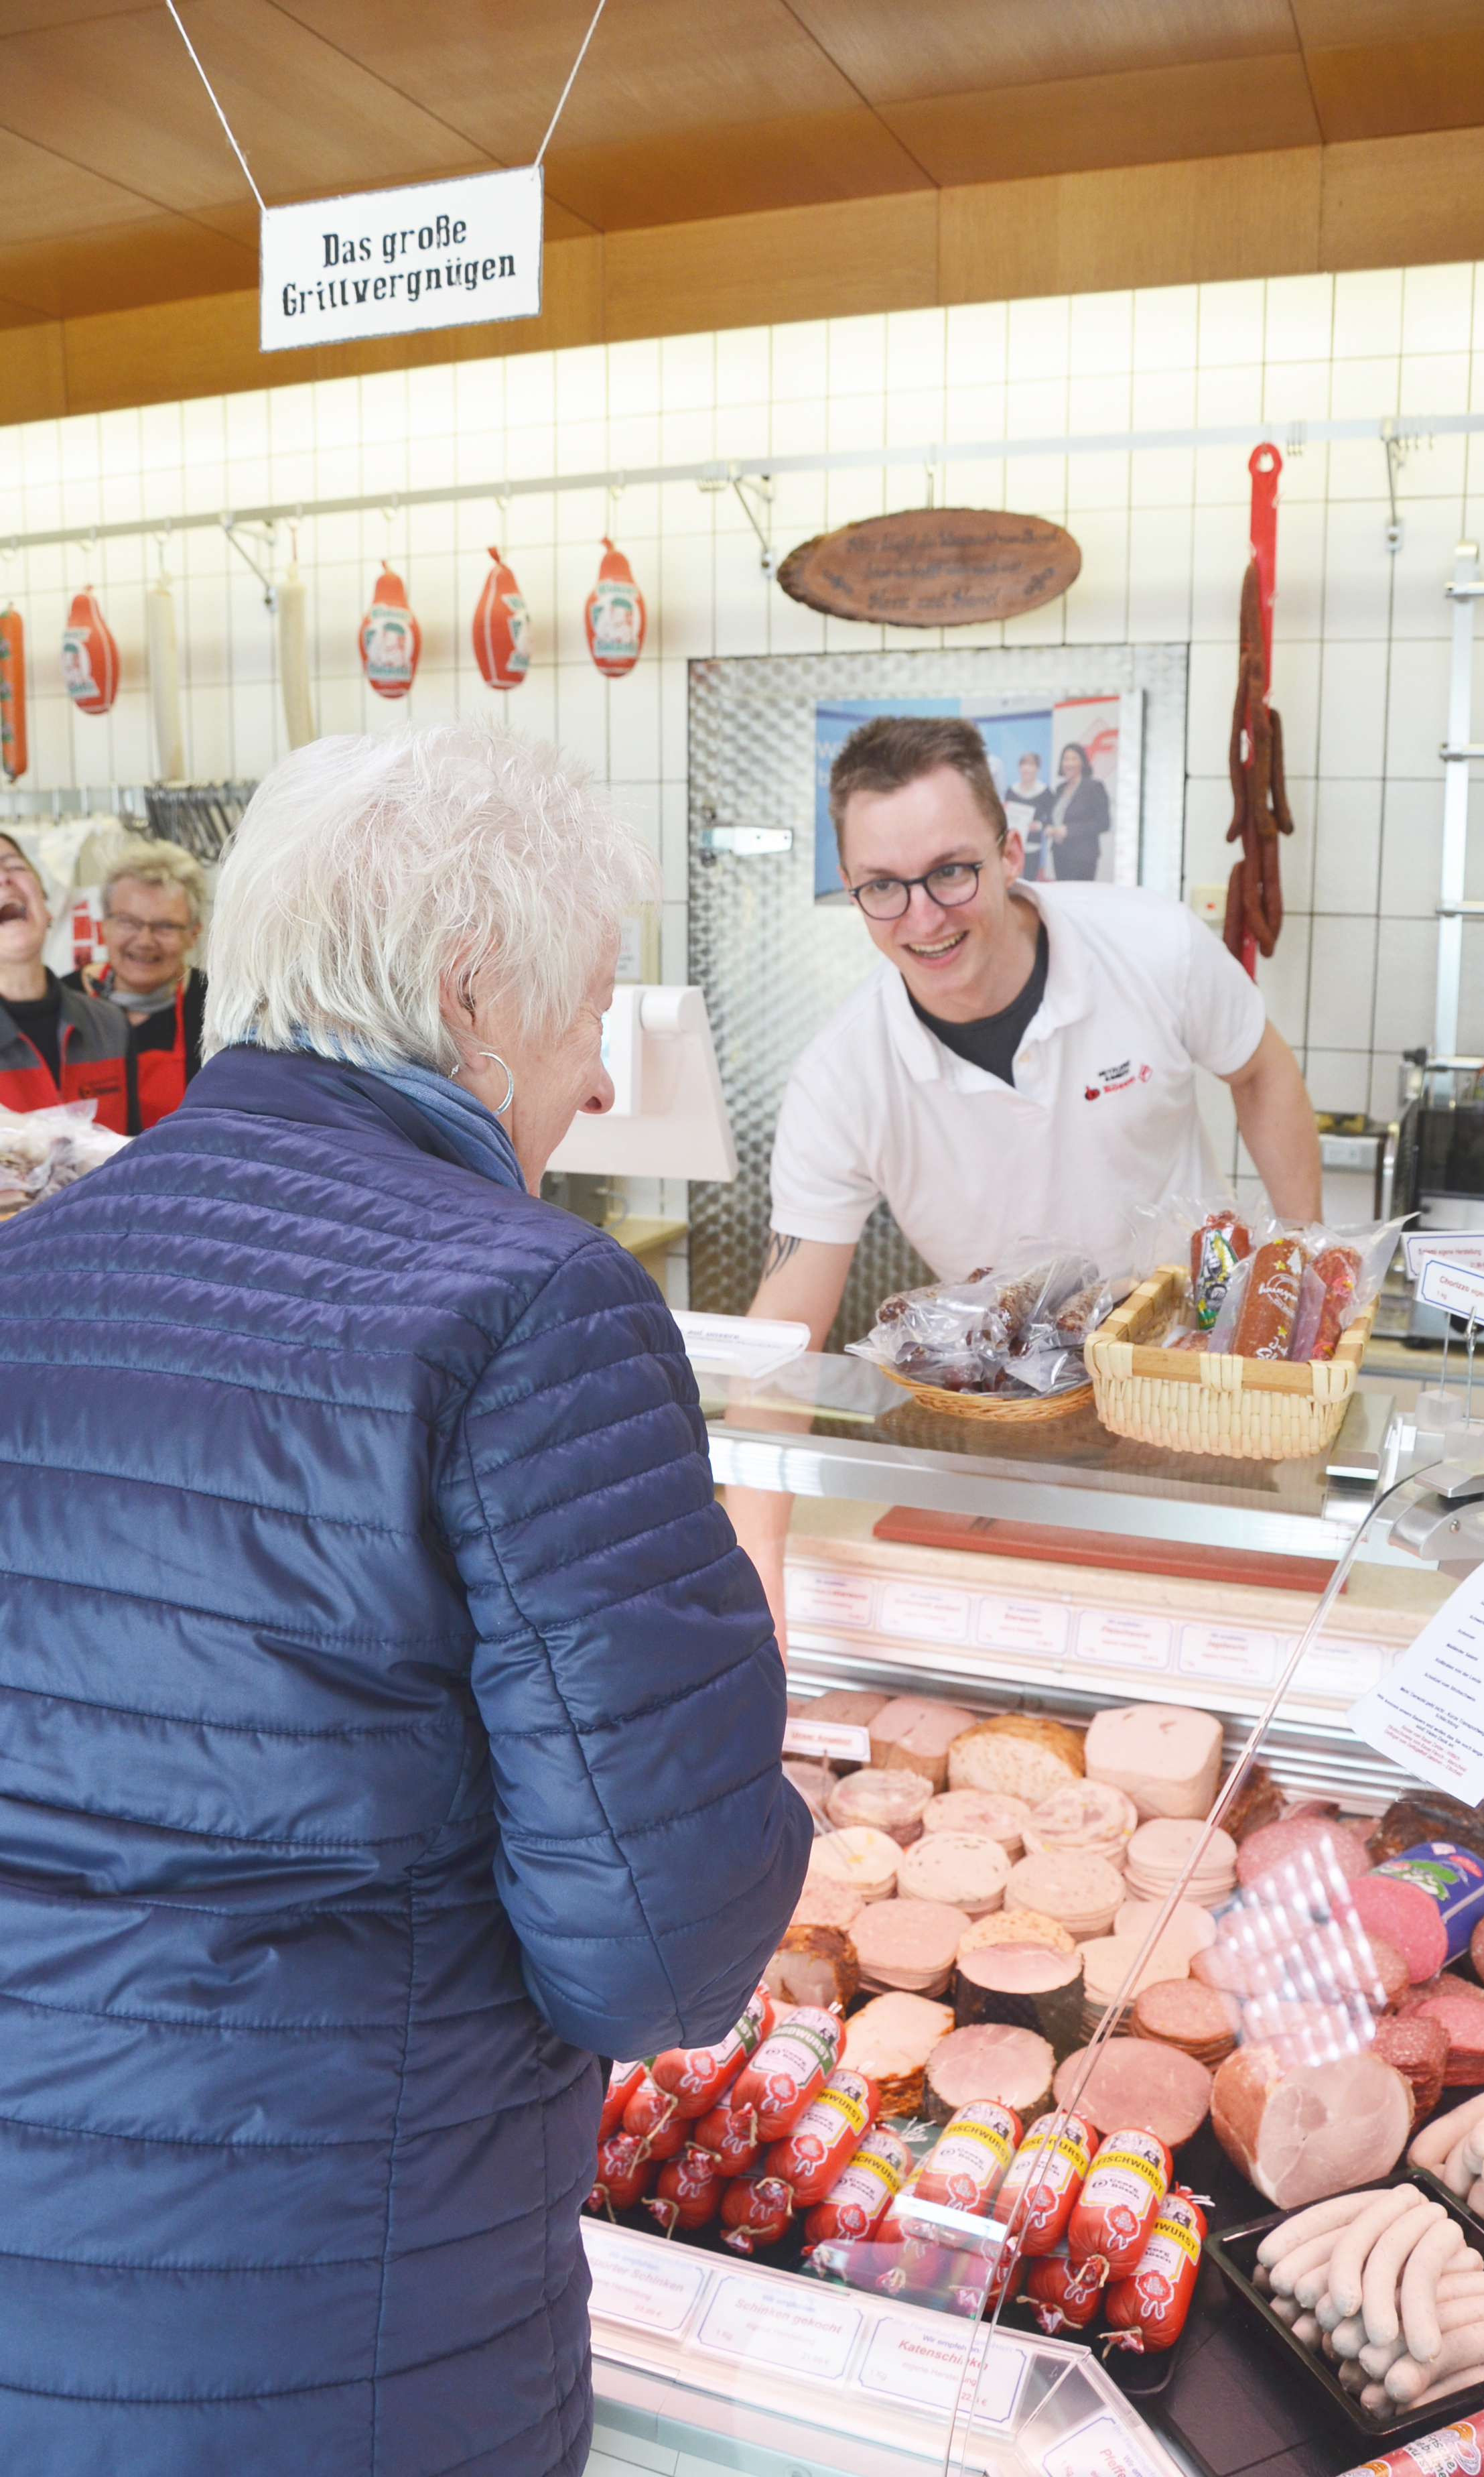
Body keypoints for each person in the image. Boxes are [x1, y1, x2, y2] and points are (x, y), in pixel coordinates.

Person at [0, 727, 808, 2474]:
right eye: (591, 1008)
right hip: (346, 2345)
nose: (597, 1082)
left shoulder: (22, 1272)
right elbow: (657, 1951)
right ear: (470, 996)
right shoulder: (534, 1307)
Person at [727, 714, 1321, 1644]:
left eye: (951, 871)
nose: (923, 918)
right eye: (885, 888)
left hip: (1193, 1386)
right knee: (1038, 1638)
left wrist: (1303, 1268)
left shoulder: (1152, 948)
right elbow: (784, 1331)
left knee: (1205, 1632)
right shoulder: (840, 1078)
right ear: (854, 892)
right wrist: (756, 1570)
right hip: (1006, 1418)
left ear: (1011, 853)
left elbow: (1263, 1074)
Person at [66, 836, 208, 1131]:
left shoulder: (218, 1007)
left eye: (165, 926)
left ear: (193, 933)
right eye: (128, 922)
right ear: (104, 924)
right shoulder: (62, 1002)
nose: (144, 941)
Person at [0, 830, 127, 1125]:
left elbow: (130, 1162)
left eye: (15, 866)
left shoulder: (110, 1025)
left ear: (48, 909)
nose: (4, 879)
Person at [1040, 739, 1109, 881]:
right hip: (1060, 855)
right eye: (1066, 759)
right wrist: (1048, 827)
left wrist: (1069, 831)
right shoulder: (1060, 789)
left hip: (1083, 858)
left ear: (1082, 762)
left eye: (1074, 759)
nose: (1069, 763)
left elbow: (1104, 823)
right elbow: (1053, 818)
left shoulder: (1094, 787)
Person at [1002, 748, 1053, 878]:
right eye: (1023, 765)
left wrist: (1040, 825)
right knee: (1011, 882)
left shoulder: (1045, 792)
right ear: (1019, 768)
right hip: (1013, 847)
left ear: (1037, 769)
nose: (1027, 769)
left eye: (1031, 765)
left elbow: (1052, 818)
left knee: (1031, 883)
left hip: (1033, 846)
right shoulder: (1011, 791)